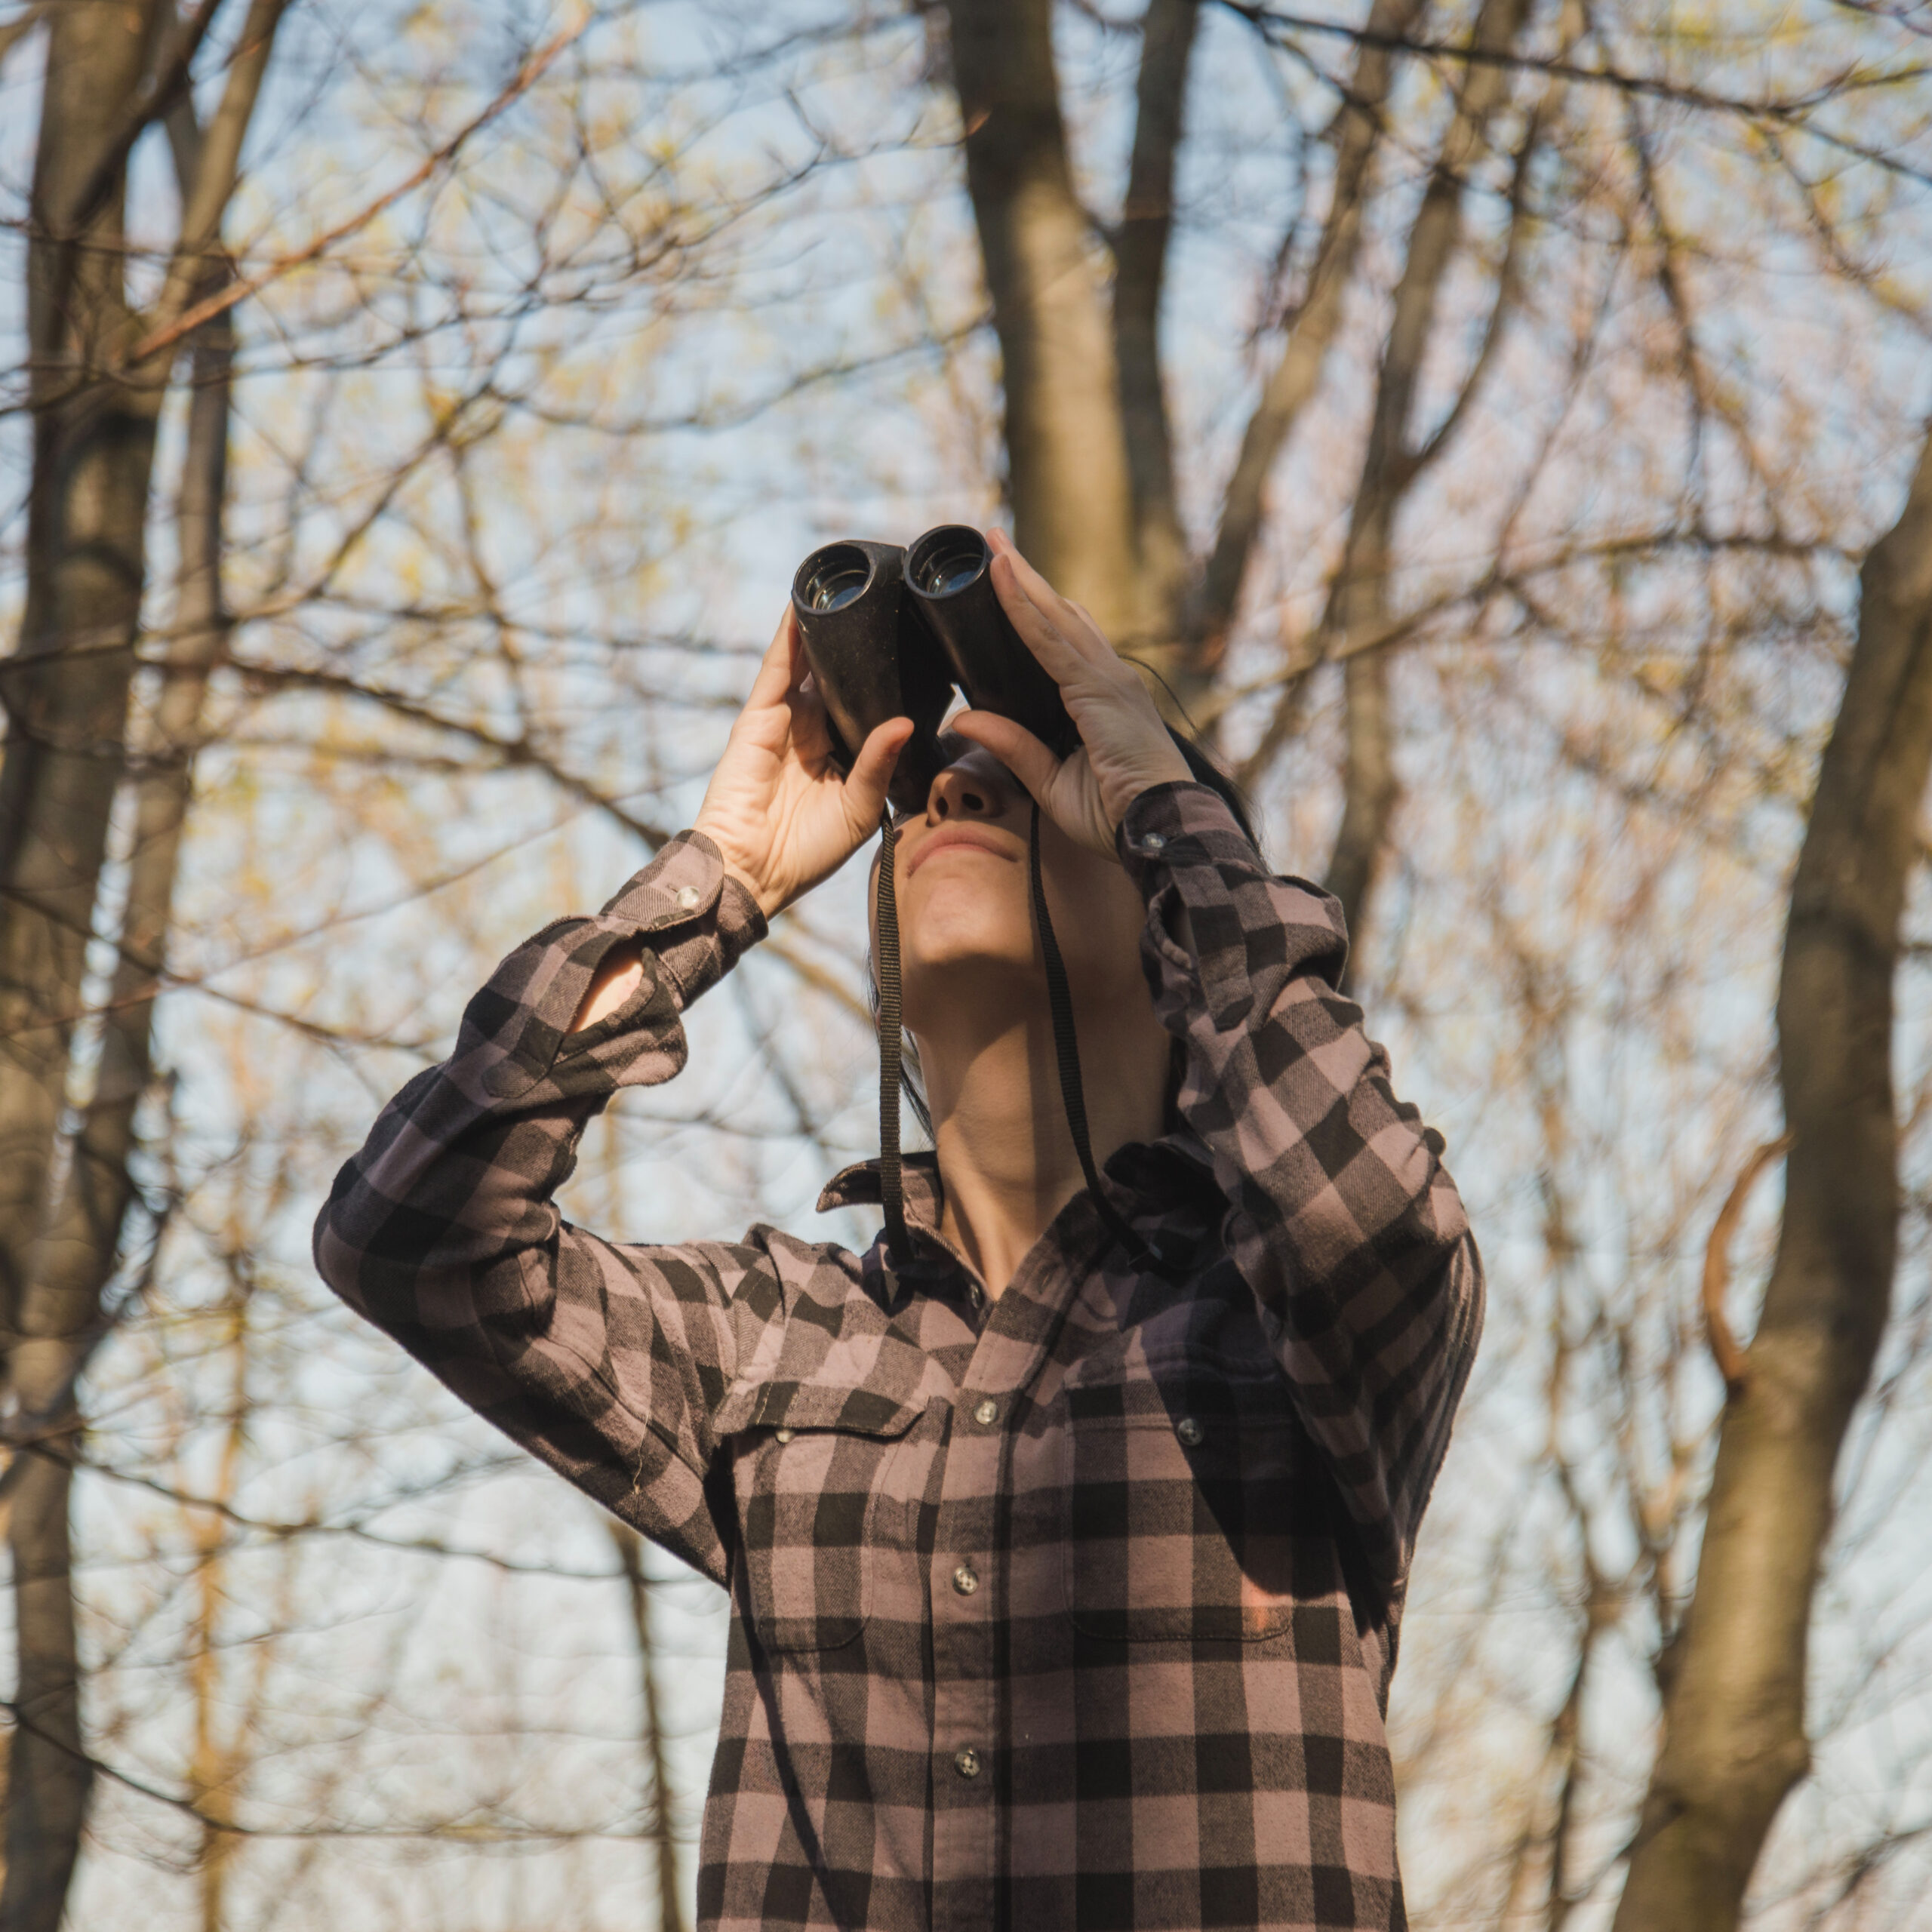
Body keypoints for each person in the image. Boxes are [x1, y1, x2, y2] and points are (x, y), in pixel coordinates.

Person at [313, 530, 1483, 1932]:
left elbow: (1368, 1216)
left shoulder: (1280, 1320)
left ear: (1171, 925)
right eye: (927, 784)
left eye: (1039, 773)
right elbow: (409, 1234)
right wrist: (717, 881)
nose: (953, 787)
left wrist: (1168, 809)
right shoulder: (780, 1338)